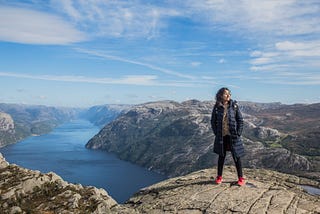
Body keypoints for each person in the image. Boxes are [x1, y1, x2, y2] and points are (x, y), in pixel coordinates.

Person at [210, 87, 245, 186]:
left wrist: (238, 133)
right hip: (222, 136)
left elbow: (240, 120)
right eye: (226, 94)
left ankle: (241, 178)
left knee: (237, 157)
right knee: (221, 156)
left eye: (229, 94)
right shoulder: (217, 107)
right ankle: (219, 177)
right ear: (221, 95)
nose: (229, 95)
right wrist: (216, 133)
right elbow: (213, 121)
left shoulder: (234, 106)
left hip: (233, 136)